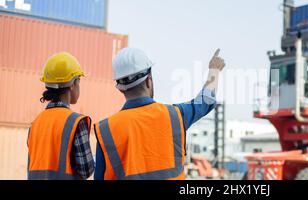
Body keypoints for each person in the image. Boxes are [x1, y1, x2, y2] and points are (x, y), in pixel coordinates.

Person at [94, 48, 225, 180]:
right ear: (148, 80)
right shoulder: (175, 116)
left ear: (120, 88)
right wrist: (214, 71)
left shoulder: (106, 130)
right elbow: (206, 101)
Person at [27, 52, 95, 180]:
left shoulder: (35, 124)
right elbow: (86, 170)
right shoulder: (76, 122)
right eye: (79, 81)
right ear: (72, 84)